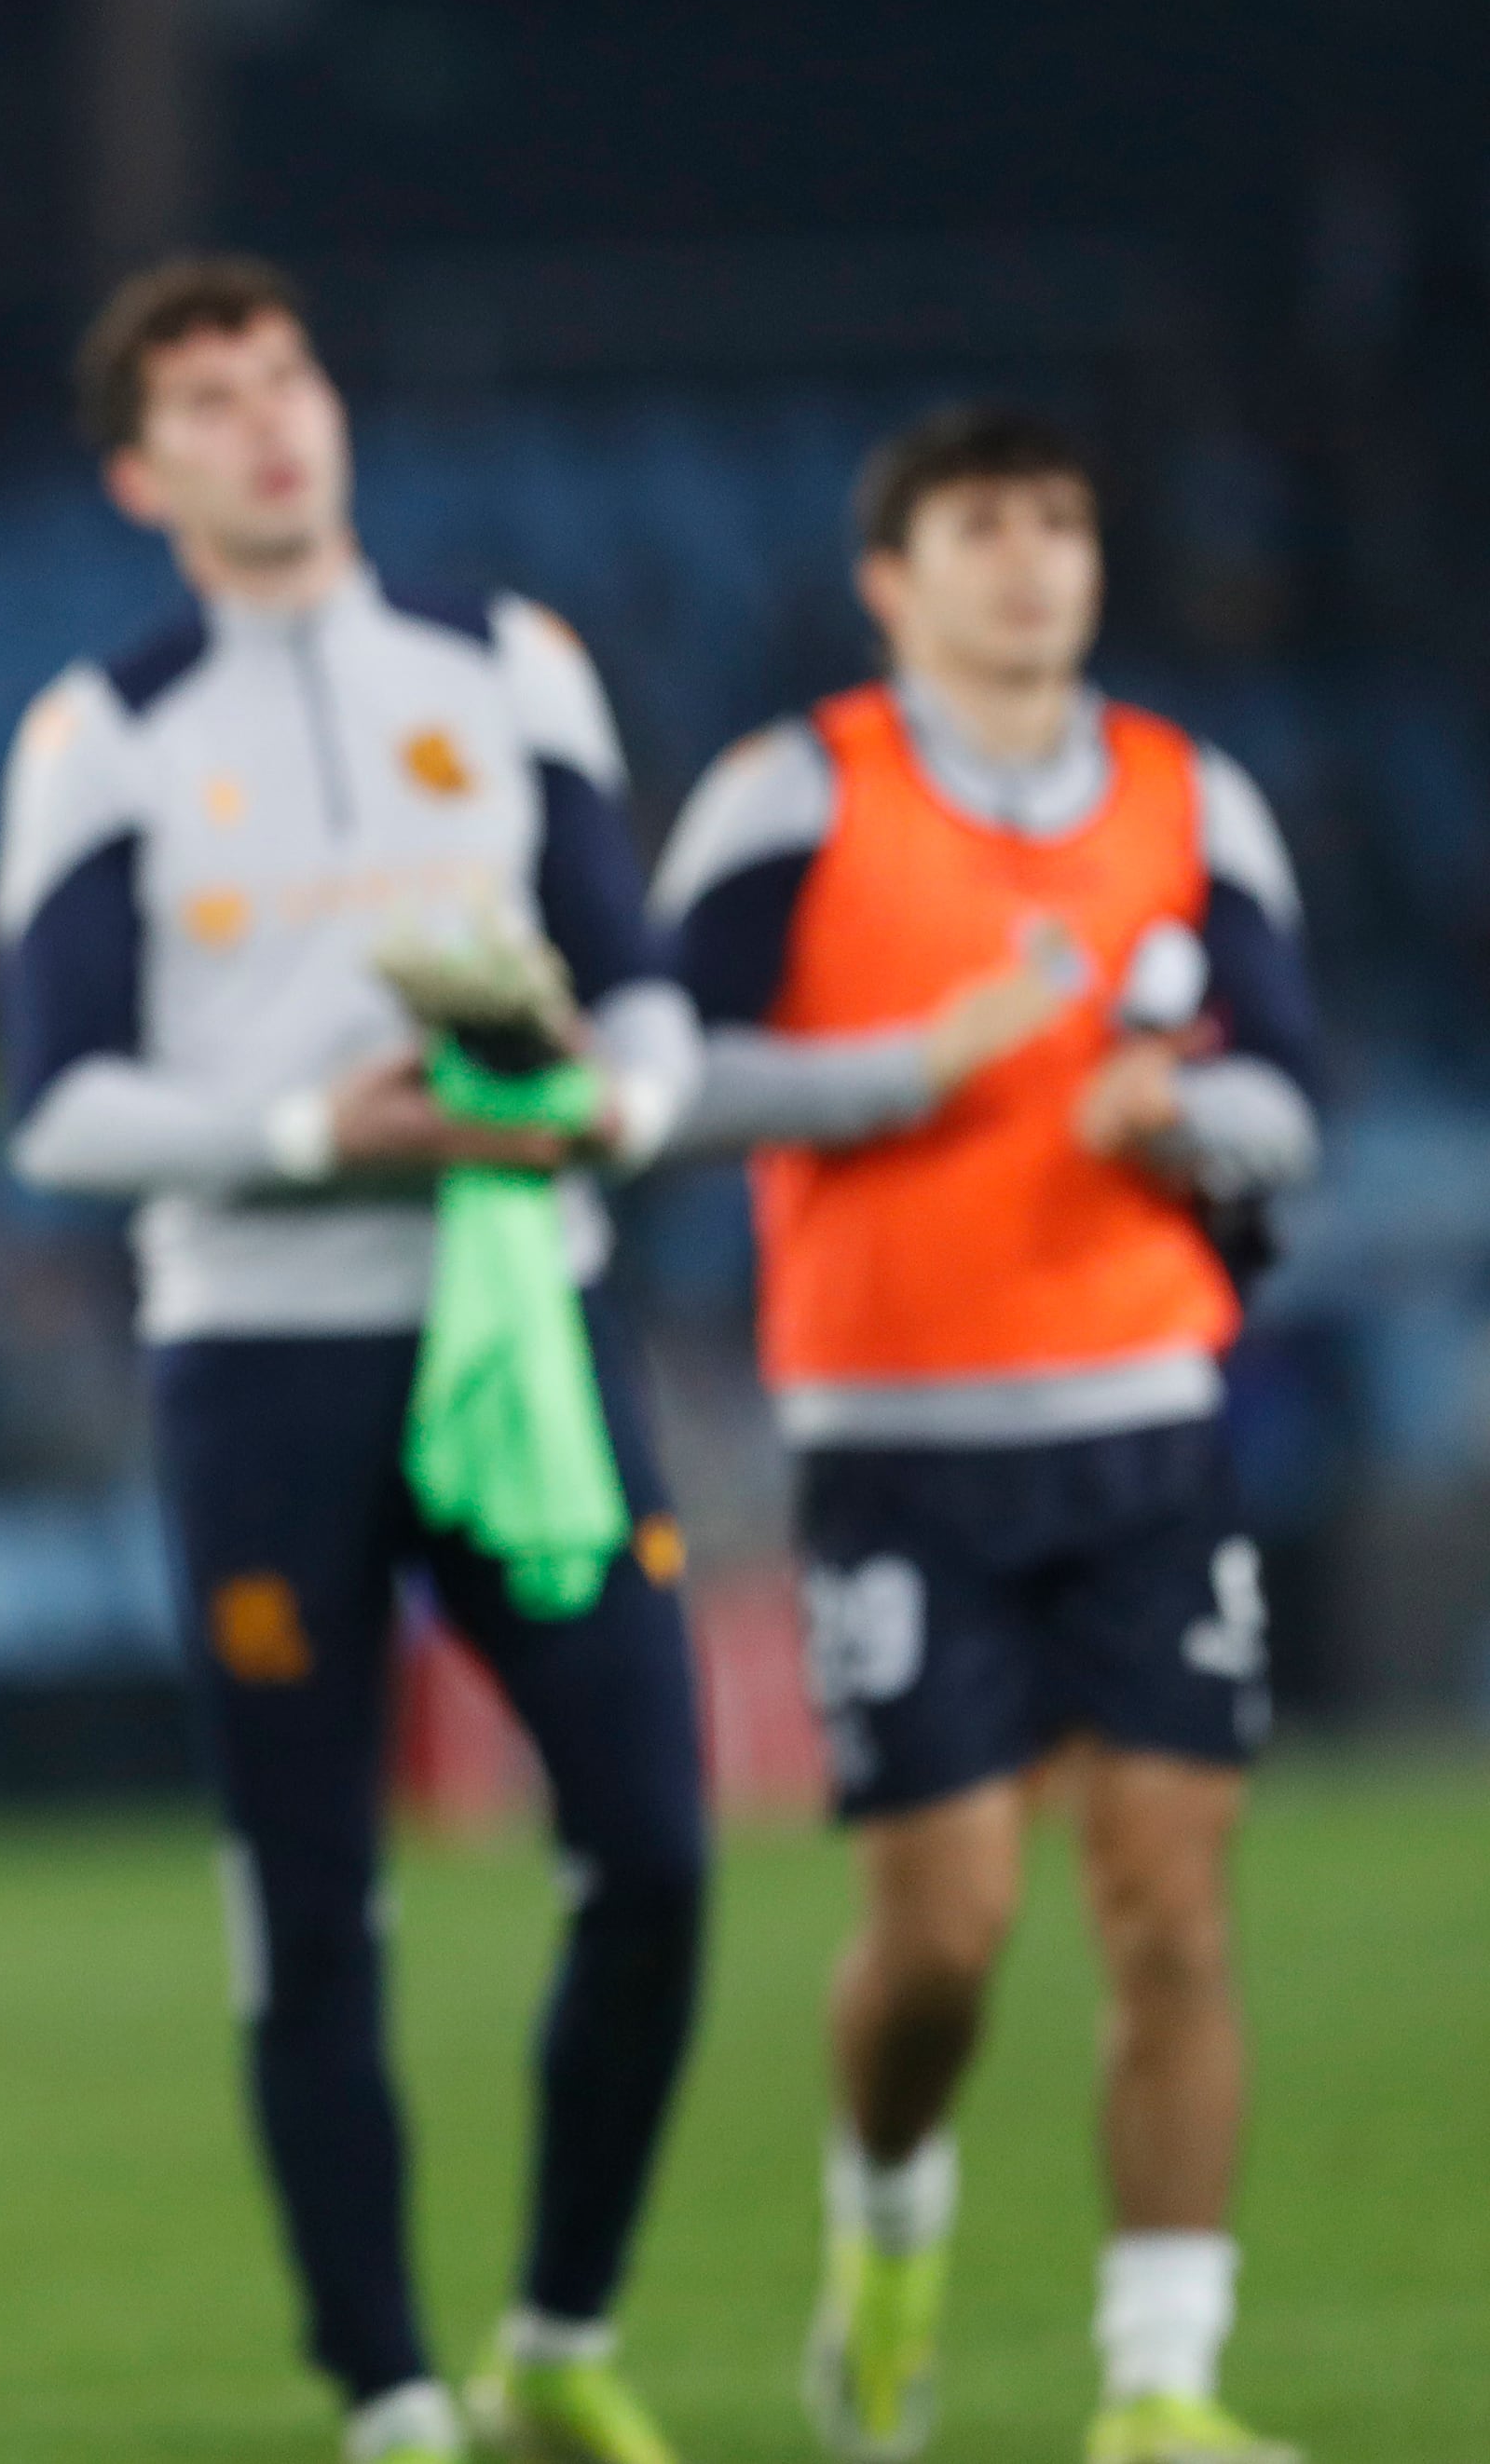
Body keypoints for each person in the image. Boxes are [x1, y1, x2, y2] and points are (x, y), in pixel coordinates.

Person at [0, 255, 707, 2464]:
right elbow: (57, 1105)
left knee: (662, 1849)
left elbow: (647, 991)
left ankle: (560, 2325)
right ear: (140, 471)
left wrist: (619, 1105)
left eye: (282, 373)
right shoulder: (102, 728)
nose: (264, 421)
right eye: (204, 400)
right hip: (261, 1366)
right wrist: (323, 1129)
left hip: (525, 1311)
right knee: (309, 1895)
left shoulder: (506, 667)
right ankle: (389, 2383)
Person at [648, 408, 1317, 2464]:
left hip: (1142, 1423)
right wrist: (899, 1071)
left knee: (1168, 1909)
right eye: (982, 526)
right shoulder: (793, 793)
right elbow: (650, 1068)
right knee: (942, 1933)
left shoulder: (1188, 796)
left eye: (1061, 524)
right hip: (897, 1443)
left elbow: (1295, 1091)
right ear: (893, 575)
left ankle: (1159, 2382)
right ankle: (887, 2224)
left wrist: (1186, 1117)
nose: (1030, 561)